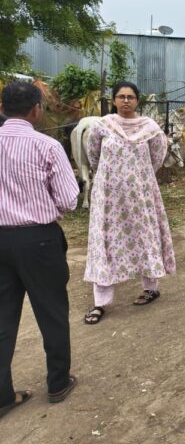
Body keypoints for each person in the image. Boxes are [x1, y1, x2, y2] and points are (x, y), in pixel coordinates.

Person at [0, 81, 80, 416]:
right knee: (51, 311)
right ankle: (58, 382)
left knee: (2, 318)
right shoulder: (46, 146)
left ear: (3, 107)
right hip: (39, 239)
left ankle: (3, 396)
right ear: (36, 109)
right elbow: (68, 198)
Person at [83, 81, 176, 325]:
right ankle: (100, 303)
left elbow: (157, 157)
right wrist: (111, 177)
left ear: (138, 101)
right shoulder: (102, 126)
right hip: (109, 199)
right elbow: (93, 156)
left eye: (131, 97)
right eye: (121, 96)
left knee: (144, 237)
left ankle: (150, 288)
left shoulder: (150, 128)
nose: (126, 101)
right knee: (105, 242)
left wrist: (137, 177)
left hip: (140, 197)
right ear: (113, 100)